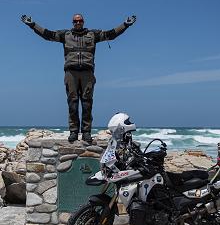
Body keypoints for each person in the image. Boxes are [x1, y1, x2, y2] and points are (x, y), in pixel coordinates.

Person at [21, 13, 136, 143]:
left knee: (87, 104)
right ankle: (73, 132)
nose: (77, 23)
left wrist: (125, 25)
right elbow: (48, 35)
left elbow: (111, 34)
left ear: (83, 22)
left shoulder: (93, 35)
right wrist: (32, 25)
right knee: (73, 104)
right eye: (75, 21)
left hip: (87, 73)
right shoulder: (66, 35)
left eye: (80, 21)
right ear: (72, 23)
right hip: (71, 73)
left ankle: (86, 132)